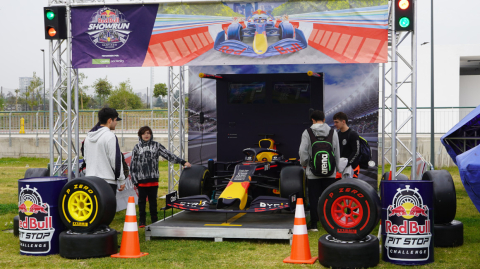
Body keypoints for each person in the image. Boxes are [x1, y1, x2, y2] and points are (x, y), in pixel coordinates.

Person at [130, 126, 192, 228]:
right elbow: (133, 165)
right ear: (140, 135)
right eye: (144, 133)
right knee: (141, 202)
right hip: (141, 180)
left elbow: (168, 155)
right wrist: (135, 180)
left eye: (148, 133)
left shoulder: (156, 145)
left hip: (153, 179)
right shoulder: (137, 148)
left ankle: (155, 220)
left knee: (153, 201)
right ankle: (142, 221)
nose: (146, 135)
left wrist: (182, 161)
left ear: (151, 134)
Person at [299, 110, 340, 232]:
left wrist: (304, 164)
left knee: (313, 198)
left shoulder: (307, 132)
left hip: (313, 172)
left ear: (312, 120)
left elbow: (303, 151)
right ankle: (331, 222)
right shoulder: (333, 132)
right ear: (324, 119)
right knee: (331, 197)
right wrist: (337, 168)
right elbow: (336, 151)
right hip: (330, 171)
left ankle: (314, 225)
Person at [84, 108, 126, 196]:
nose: (116, 123)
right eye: (115, 120)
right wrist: (122, 179)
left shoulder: (88, 137)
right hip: (107, 182)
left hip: (90, 181)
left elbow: (86, 158)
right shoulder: (110, 136)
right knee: (108, 209)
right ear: (110, 120)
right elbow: (115, 160)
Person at [333, 112, 361, 179]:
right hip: (340, 168)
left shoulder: (353, 134)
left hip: (351, 168)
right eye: (334, 122)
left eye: (336, 122)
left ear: (343, 121)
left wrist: (347, 163)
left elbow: (356, 151)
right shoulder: (337, 134)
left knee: (349, 188)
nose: (335, 124)